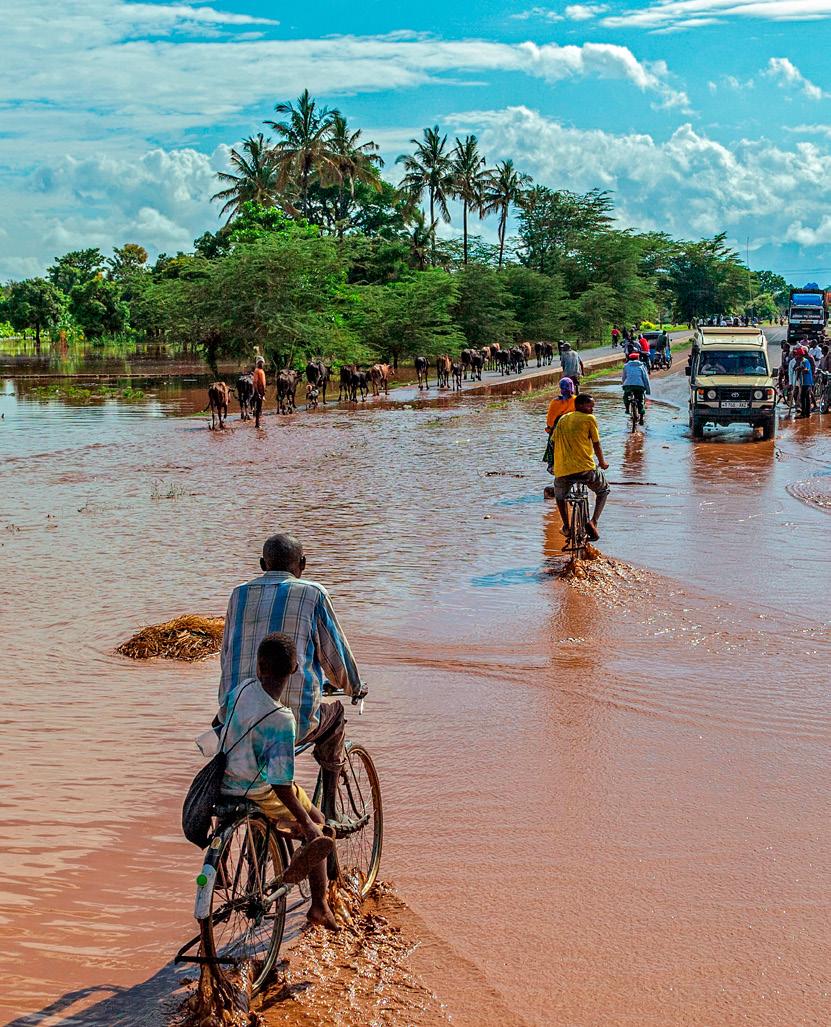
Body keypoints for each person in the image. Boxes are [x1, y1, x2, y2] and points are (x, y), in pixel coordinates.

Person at [219, 533, 364, 809]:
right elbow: (336, 660)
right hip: (291, 721)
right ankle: (330, 811)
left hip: (233, 720)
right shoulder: (312, 593)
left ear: (263, 564)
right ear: (303, 564)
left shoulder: (238, 595)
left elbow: (227, 657)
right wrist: (354, 687)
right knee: (336, 716)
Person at [220, 632, 337, 929]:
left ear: (259, 668)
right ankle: (319, 906)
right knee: (318, 820)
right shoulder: (283, 718)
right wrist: (309, 825)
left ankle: (224, 863)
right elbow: (281, 784)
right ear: (295, 669)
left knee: (297, 818)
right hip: (256, 790)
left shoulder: (241, 689)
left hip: (223, 781)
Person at [550, 394, 610, 542]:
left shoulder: (563, 419)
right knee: (603, 490)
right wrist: (602, 462)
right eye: (590, 406)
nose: (592, 410)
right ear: (580, 405)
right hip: (585, 469)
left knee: (560, 496)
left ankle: (567, 527)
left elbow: (553, 442)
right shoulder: (589, 419)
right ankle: (593, 522)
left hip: (563, 470)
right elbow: (596, 443)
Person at [544, 377, 576, 474]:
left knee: (552, 443)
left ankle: (552, 465)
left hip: (556, 433)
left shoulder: (555, 402)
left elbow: (549, 422)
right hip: (572, 433)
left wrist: (551, 428)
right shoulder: (577, 400)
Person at [621, 352, 651, 424]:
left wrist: (624, 385)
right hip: (639, 386)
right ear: (638, 358)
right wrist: (647, 390)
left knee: (626, 397)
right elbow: (645, 378)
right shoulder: (642, 366)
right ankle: (641, 416)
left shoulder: (626, 366)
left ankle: (627, 409)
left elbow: (624, 377)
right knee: (640, 400)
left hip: (628, 385)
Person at [794, 349, 814, 418]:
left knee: (804, 397)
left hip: (807, 381)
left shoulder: (805, 361)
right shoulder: (801, 361)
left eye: (798, 355)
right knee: (806, 397)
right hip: (803, 381)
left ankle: (804, 413)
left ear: (801, 355)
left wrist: (801, 369)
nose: (797, 356)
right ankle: (807, 413)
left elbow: (806, 370)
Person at [252, 357, 266, 429]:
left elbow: (263, 383)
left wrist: (264, 392)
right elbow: (255, 382)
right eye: (260, 362)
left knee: (260, 408)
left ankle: (258, 423)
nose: (261, 364)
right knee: (258, 408)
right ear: (258, 363)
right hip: (259, 391)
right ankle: (257, 424)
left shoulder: (261, 371)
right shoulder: (257, 371)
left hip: (262, 391)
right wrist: (258, 393)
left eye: (262, 362)